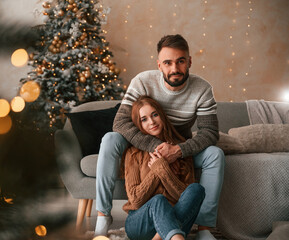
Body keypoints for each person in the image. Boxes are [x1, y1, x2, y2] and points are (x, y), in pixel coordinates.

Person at [94, 34, 225, 240]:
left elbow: (210, 133)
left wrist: (178, 150)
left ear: (189, 61)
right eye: (168, 63)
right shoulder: (143, 81)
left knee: (214, 154)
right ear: (159, 65)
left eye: (180, 61)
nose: (174, 69)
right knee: (110, 138)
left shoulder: (202, 89)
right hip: (141, 143)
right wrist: (159, 147)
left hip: (179, 148)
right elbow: (120, 123)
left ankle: (204, 229)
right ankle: (102, 215)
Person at [123, 96, 205, 240]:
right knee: (158, 200)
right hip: (140, 223)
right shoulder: (133, 153)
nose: (152, 122)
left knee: (196, 190)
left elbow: (184, 197)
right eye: (144, 119)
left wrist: (162, 168)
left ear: (162, 116)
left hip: (174, 218)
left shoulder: (180, 149)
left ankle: (162, 237)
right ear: (139, 124)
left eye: (155, 115)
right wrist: (158, 168)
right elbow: (135, 200)